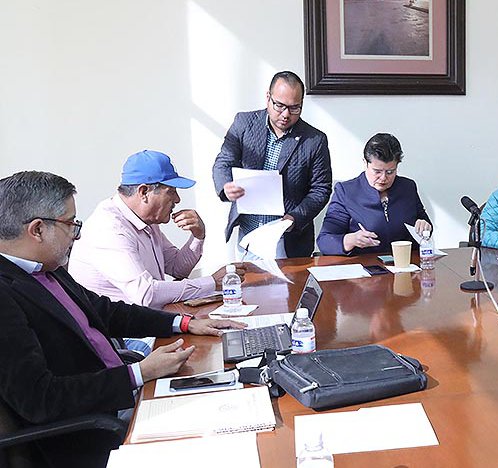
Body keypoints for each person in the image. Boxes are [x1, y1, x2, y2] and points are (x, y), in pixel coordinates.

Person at [0, 171, 244, 467]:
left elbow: (105, 311)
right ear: (38, 229)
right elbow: (41, 400)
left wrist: (183, 323)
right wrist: (139, 373)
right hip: (91, 431)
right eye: (71, 224)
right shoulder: (6, 294)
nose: (77, 234)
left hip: (118, 398)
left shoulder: (46, 267)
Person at [70, 150, 246, 312]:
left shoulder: (146, 221)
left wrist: (198, 236)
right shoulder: (109, 229)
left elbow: (177, 269)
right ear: (144, 192)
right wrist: (211, 282)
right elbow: (146, 294)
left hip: (146, 320)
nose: (177, 199)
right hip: (118, 332)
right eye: (171, 191)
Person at [212, 70, 332, 258]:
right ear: (268, 97)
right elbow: (223, 162)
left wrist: (295, 217)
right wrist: (225, 186)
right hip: (248, 234)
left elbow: (321, 189)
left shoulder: (314, 140)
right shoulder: (244, 123)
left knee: (288, 279)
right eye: (280, 106)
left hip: (288, 239)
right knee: (247, 277)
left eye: (294, 108)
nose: (286, 114)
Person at [317, 133, 431, 255]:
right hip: (365, 263)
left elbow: (425, 224)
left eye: (390, 172)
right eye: (377, 171)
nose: (383, 178)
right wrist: (351, 240)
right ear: (365, 163)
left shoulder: (407, 187)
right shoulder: (347, 192)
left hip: (405, 261)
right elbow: (324, 241)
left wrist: (424, 225)